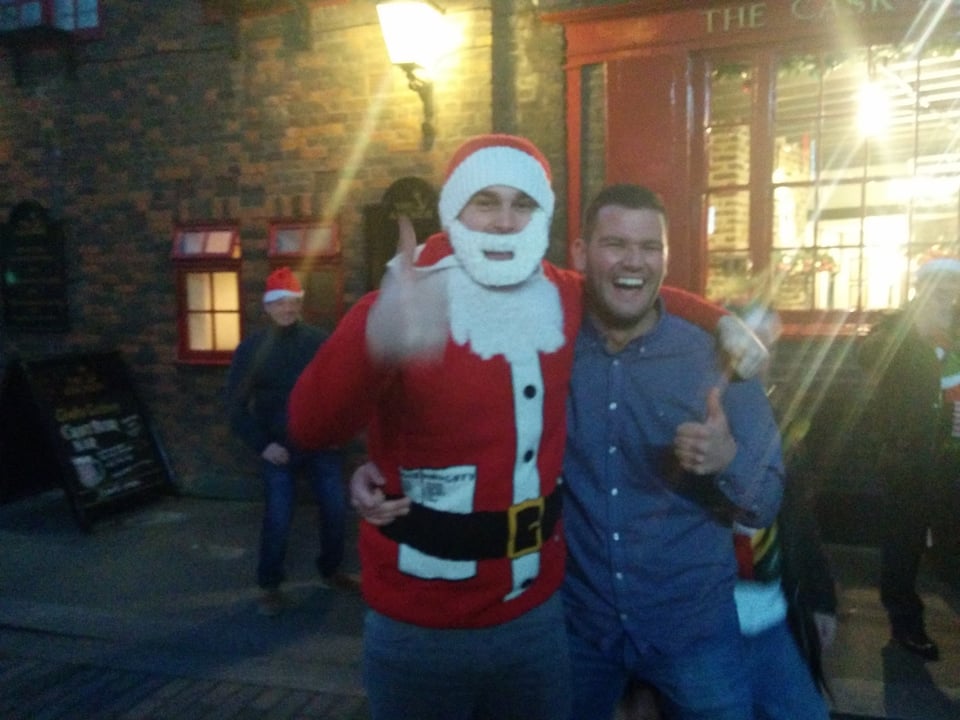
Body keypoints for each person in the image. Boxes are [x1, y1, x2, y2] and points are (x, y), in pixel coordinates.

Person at [288, 136, 766, 720]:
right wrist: (376, 338)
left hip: (536, 618)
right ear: (454, 211)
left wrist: (721, 321)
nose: (505, 221)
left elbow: (640, 287)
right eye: (485, 202)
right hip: (419, 620)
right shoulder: (402, 300)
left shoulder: (561, 295)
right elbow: (310, 426)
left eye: (522, 204)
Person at [561, 183, 784, 720]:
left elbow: (768, 498)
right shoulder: (550, 346)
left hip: (693, 630)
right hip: (579, 629)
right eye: (615, 244)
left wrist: (727, 460)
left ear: (666, 256)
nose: (633, 261)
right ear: (580, 254)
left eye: (650, 247)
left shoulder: (718, 357)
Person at [224, 266, 356, 617]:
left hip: (320, 444)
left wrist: (335, 435)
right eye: (279, 303)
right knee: (278, 516)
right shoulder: (251, 349)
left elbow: (340, 393)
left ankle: (331, 570)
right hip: (277, 447)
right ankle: (270, 584)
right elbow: (234, 408)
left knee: (335, 509)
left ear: (301, 304)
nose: (287, 309)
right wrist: (263, 445)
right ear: (267, 308)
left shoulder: (319, 342)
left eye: (293, 302)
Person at [729, 304, 837, 720]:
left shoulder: (783, 420)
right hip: (708, 625)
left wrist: (821, 598)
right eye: (747, 340)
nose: (758, 355)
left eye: (767, 344)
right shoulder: (689, 411)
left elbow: (799, 520)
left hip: (772, 616)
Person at [858, 255, 960, 661]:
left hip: (953, 458)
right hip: (910, 457)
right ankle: (905, 625)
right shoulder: (897, 330)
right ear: (921, 290)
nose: (945, 296)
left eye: (952, 288)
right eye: (937, 288)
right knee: (903, 545)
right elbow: (867, 355)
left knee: (952, 545)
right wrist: (913, 334)